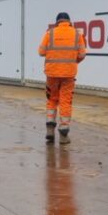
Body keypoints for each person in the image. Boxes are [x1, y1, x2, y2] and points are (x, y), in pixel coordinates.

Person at [38, 12, 86, 144]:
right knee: (65, 101)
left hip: (52, 74)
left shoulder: (50, 33)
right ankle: (64, 136)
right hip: (68, 75)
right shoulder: (77, 34)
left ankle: (49, 129)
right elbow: (82, 54)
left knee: (52, 100)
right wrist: (72, 61)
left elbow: (41, 52)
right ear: (69, 21)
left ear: (57, 22)